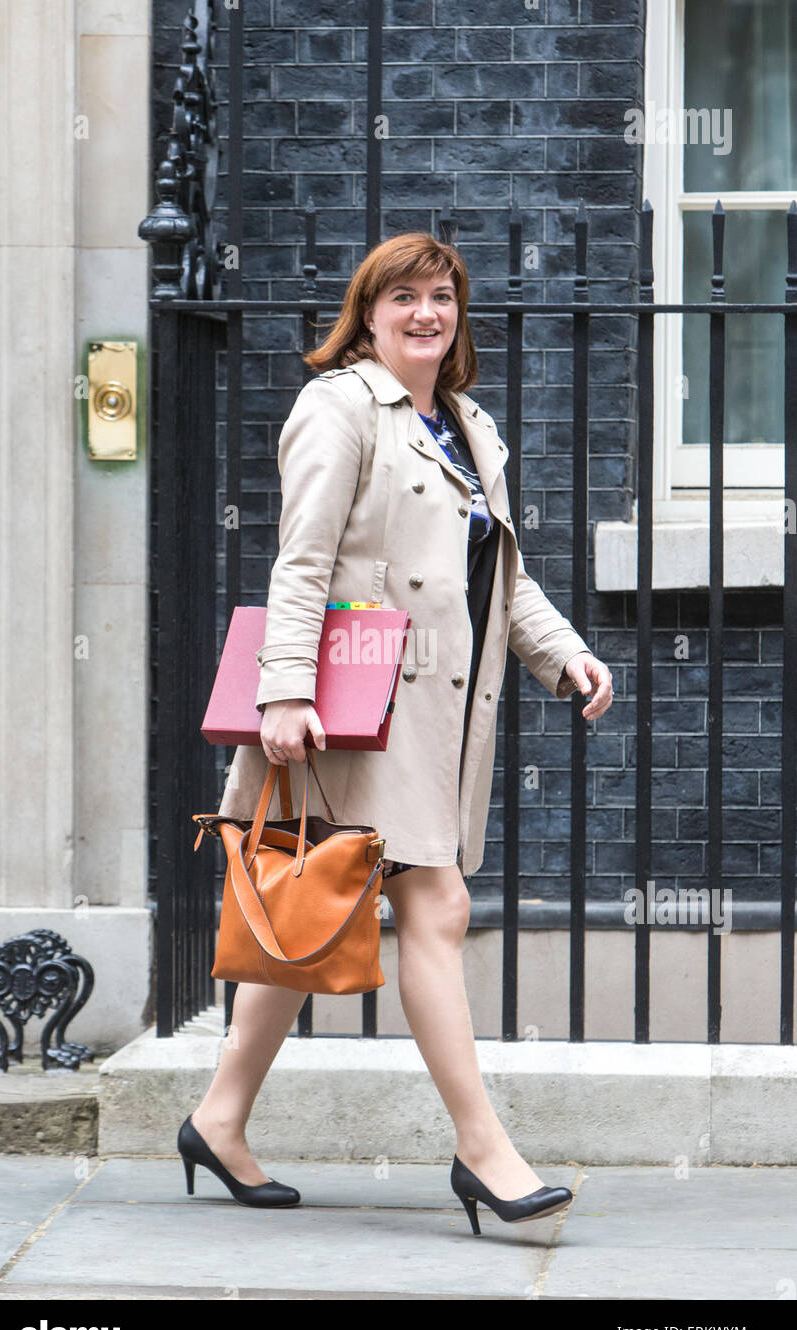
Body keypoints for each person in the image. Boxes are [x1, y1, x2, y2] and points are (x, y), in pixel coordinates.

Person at [178, 232, 613, 1230]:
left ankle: (219, 1115)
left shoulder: (465, 425)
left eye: (442, 296)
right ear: (368, 314)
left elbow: (499, 581)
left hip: (432, 711)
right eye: (404, 296)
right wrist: (285, 691)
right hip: (348, 710)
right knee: (437, 904)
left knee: (310, 914)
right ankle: (484, 1151)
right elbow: (302, 558)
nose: (426, 312)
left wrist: (566, 654)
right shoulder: (339, 406)